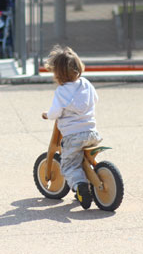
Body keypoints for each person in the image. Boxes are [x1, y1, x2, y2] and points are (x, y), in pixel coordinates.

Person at [41, 45, 102, 209]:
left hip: (73, 137)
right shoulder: (86, 84)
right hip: (91, 133)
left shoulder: (62, 91)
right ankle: (90, 180)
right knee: (80, 158)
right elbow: (95, 99)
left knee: (68, 166)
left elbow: (55, 113)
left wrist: (47, 114)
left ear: (57, 74)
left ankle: (81, 186)